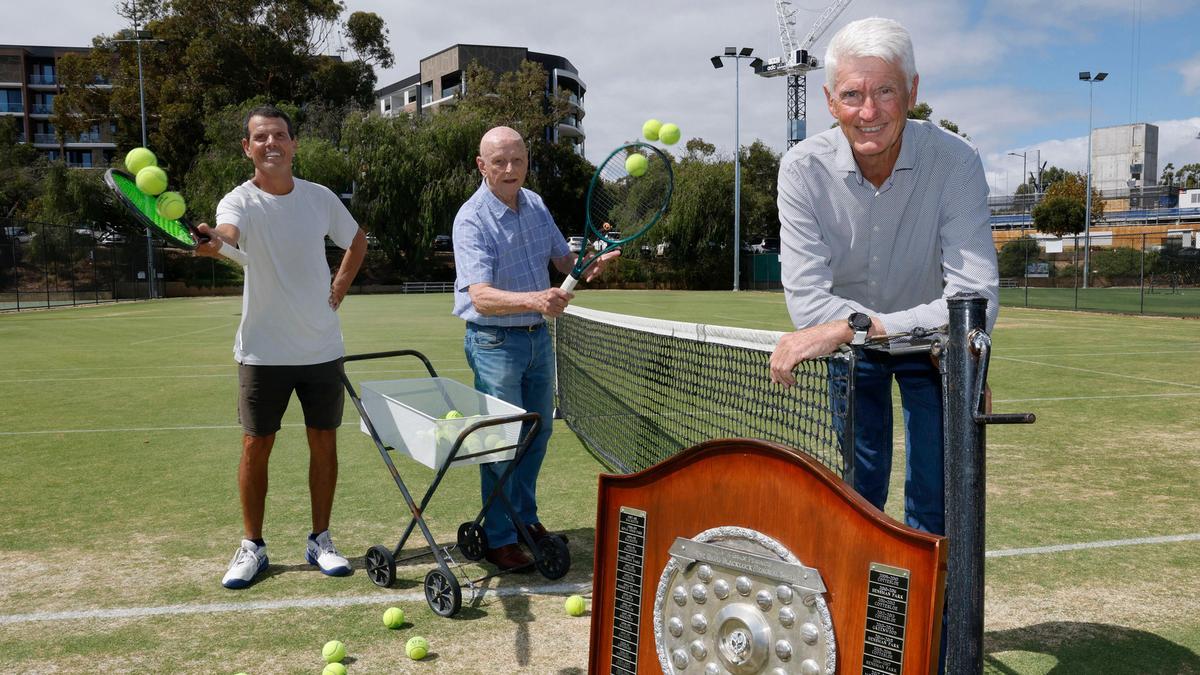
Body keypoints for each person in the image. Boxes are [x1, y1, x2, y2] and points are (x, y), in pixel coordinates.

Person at [768, 17, 999, 538]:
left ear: (912, 91)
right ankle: (860, 616)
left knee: (936, 503)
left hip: (933, 349)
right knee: (857, 495)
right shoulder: (801, 169)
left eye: (885, 91)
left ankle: (934, 621)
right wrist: (857, 333)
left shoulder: (957, 161)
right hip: (851, 352)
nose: (867, 112)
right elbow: (807, 303)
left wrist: (864, 327)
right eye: (852, 94)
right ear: (829, 101)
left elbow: (975, 297)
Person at [195, 104, 368, 589]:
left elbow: (357, 241)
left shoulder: (319, 198)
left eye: (280, 136)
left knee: (324, 442)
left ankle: (321, 540)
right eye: (261, 137)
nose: (271, 143)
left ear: (293, 144)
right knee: (256, 445)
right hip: (262, 352)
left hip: (320, 347)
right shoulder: (238, 201)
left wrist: (339, 286)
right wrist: (215, 242)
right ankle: (253, 546)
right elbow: (228, 236)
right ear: (247, 148)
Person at [452, 126, 616, 571]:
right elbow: (480, 296)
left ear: (527, 162)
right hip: (494, 342)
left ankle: (523, 518)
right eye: (499, 162)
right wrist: (536, 299)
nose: (510, 170)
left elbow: (564, 260)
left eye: (517, 160)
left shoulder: (536, 204)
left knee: (537, 433)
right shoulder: (471, 219)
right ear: (481, 166)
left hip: (536, 340)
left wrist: (588, 265)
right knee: (501, 442)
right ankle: (500, 536)